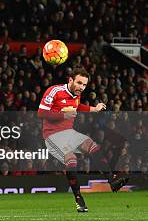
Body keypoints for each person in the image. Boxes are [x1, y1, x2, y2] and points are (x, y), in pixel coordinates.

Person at [38, 68, 129, 212]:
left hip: (69, 133)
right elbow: (41, 112)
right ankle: (79, 200)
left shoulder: (76, 94)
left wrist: (94, 109)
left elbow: (77, 106)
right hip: (53, 136)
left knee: (93, 146)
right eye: (79, 83)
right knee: (72, 160)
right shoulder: (54, 91)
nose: (81, 87)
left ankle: (112, 181)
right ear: (70, 80)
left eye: (84, 85)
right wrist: (63, 116)